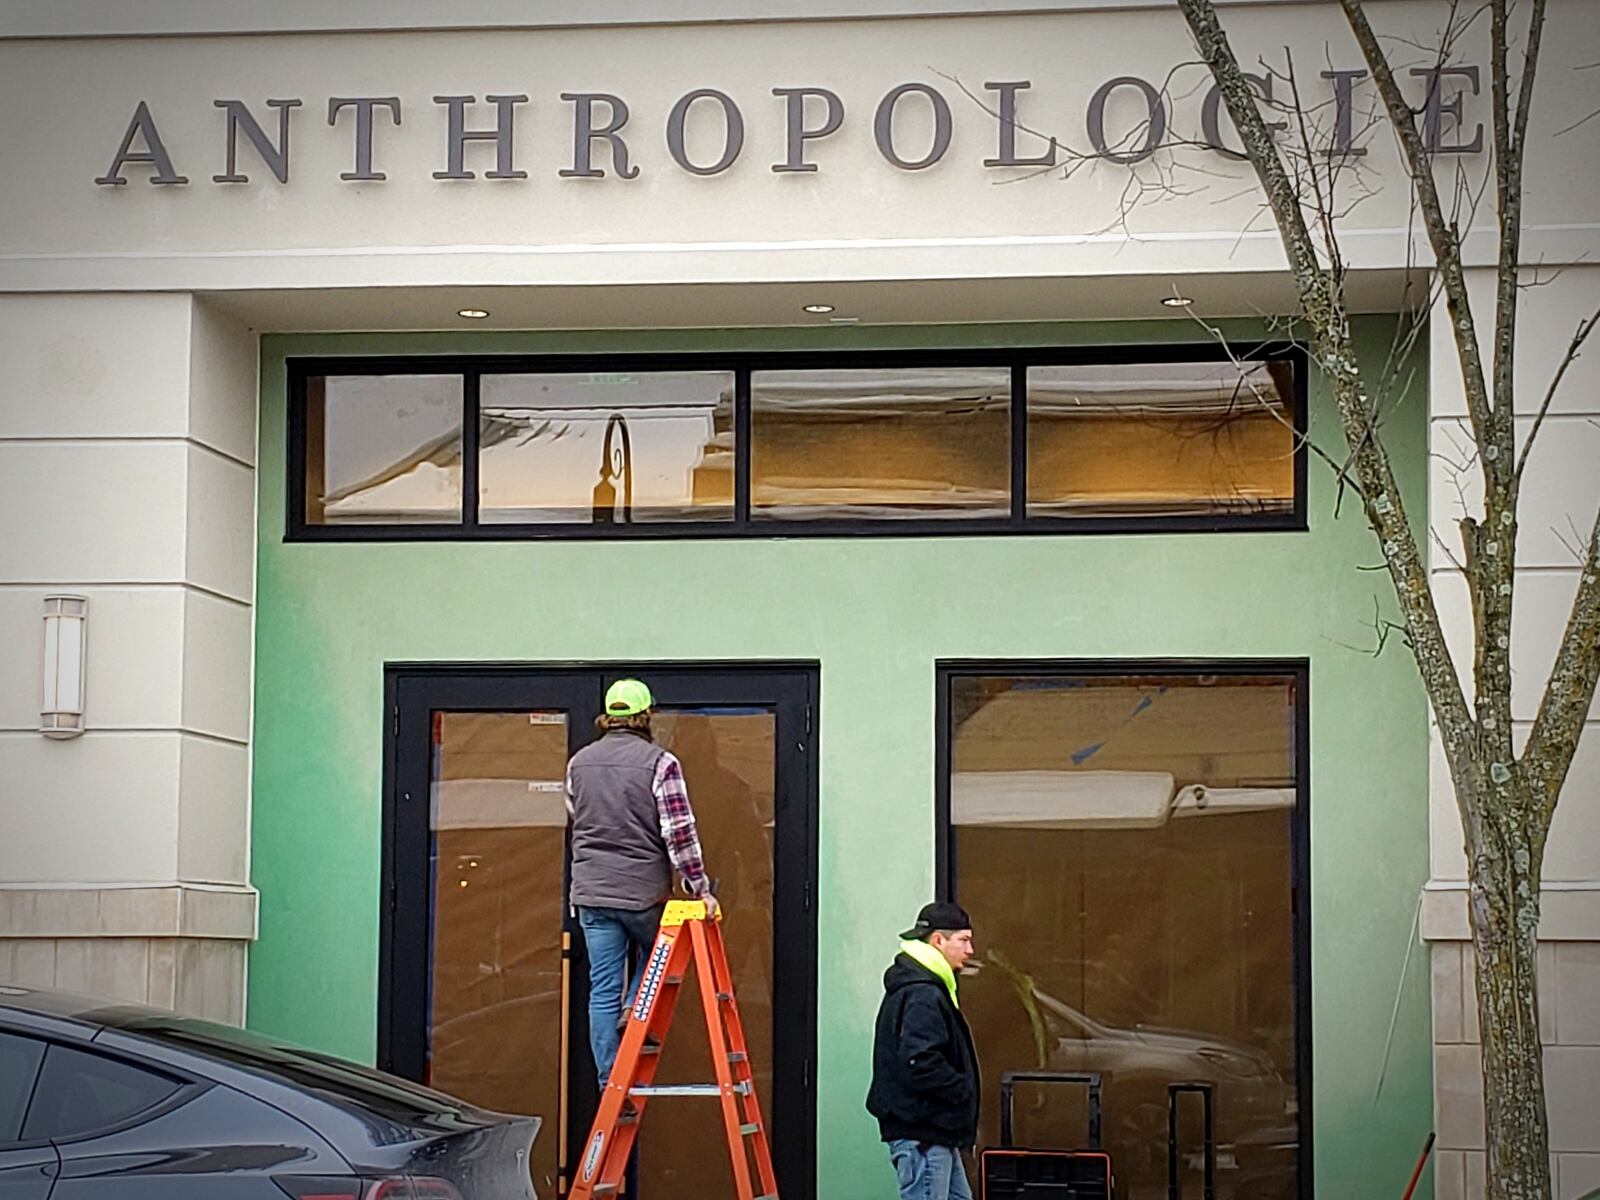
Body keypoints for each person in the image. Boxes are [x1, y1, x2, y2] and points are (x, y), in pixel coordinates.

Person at [566, 678, 719, 1085]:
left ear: (608, 716)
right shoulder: (660, 763)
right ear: (646, 714)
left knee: (601, 988)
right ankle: (635, 1009)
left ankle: (608, 1080)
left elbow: (577, 818)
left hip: (591, 893)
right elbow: (679, 834)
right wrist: (700, 889)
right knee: (659, 952)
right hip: (641, 894)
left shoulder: (578, 763)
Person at [867, 901, 981, 1200]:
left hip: (931, 1132)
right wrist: (962, 1090)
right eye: (964, 940)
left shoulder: (920, 987)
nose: (970, 950)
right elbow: (920, 1060)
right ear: (938, 941)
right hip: (926, 1132)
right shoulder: (923, 993)